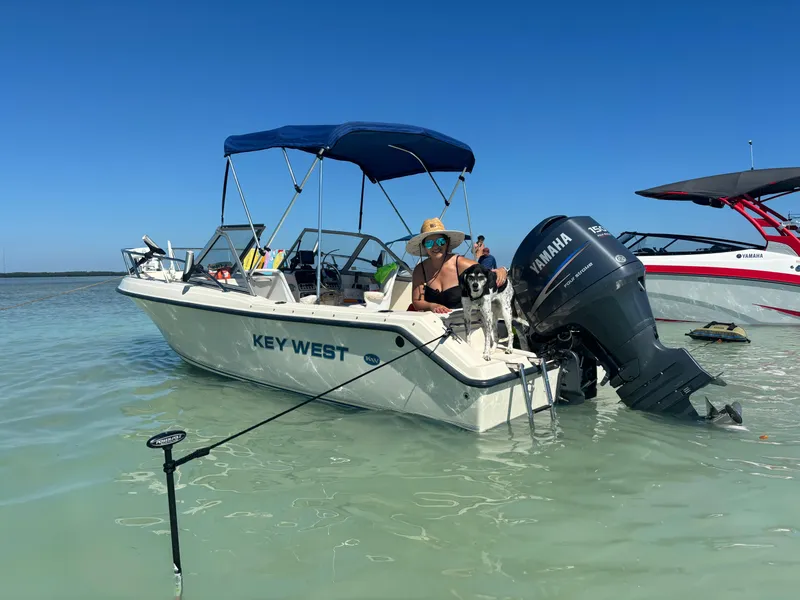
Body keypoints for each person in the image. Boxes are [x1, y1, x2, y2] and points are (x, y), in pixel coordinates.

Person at [407, 218, 508, 314]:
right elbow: (417, 301)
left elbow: (488, 275)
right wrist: (431, 306)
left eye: (440, 242)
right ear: (424, 247)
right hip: (435, 326)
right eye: (429, 243)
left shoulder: (461, 264)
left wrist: (502, 270)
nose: (435, 246)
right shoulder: (420, 270)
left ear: (447, 243)